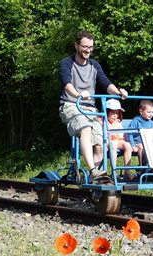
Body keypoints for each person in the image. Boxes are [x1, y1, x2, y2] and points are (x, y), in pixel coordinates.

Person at [58, 31, 128, 181]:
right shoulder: (66, 63)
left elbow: (105, 82)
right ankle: (92, 169)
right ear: (76, 45)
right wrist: (77, 94)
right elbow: (66, 83)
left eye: (90, 47)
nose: (88, 50)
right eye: (84, 46)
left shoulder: (94, 65)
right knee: (85, 128)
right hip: (71, 105)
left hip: (89, 109)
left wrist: (118, 92)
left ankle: (92, 175)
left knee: (102, 142)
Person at [105, 99, 134, 180]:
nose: (115, 115)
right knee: (113, 145)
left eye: (117, 113)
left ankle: (127, 171)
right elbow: (105, 135)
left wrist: (117, 126)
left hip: (117, 140)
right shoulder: (103, 122)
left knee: (127, 145)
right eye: (112, 113)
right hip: (107, 140)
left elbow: (120, 134)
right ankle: (114, 171)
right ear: (106, 112)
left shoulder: (118, 123)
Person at [126, 100, 153, 165]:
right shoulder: (136, 121)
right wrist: (132, 145)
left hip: (148, 143)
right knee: (141, 146)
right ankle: (141, 166)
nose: (151, 114)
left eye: (152, 112)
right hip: (137, 142)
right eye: (148, 112)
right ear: (141, 111)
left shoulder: (151, 123)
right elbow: (130, 134)